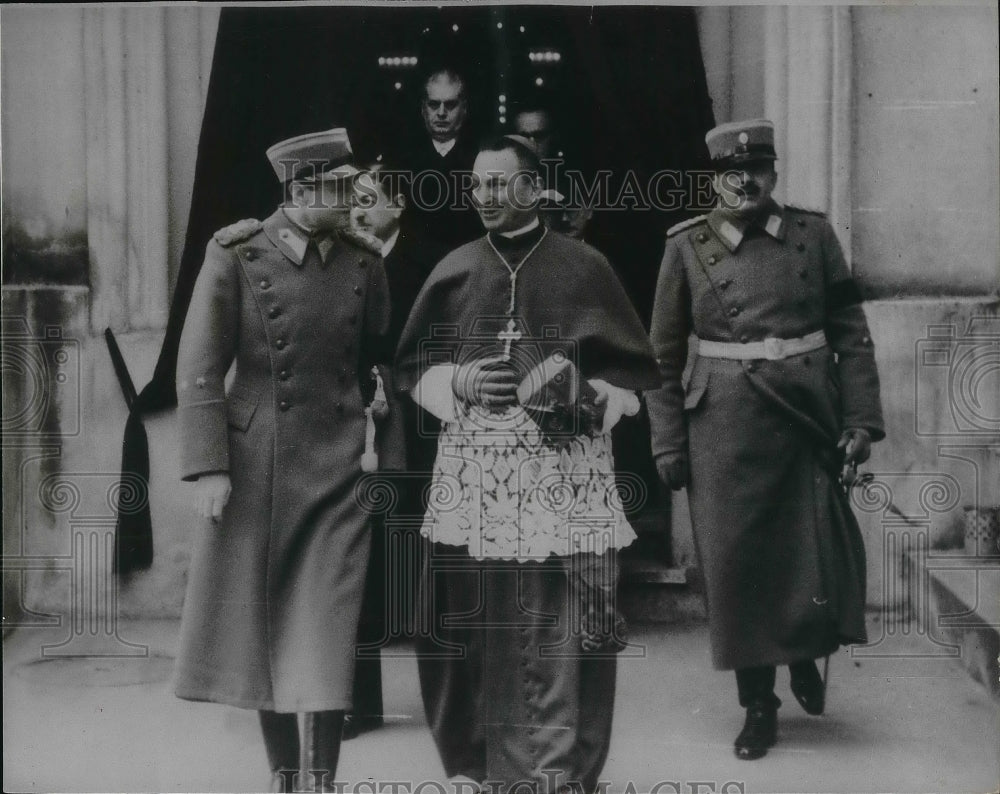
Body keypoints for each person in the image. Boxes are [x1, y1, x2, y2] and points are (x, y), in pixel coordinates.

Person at [395, 134, 660, 792]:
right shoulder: (455, 267)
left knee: (568, 617)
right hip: (479, 475)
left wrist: (593, 397)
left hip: (564, 472)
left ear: (535, 188)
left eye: (500, 184)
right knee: (487, 618)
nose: (484, 197)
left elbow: (632, 375)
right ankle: (486, 765)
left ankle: (562, 770)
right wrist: (459, 384)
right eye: (478, 185)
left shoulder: (584, 267)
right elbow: (411, 371)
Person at [645, 119, 885, 761]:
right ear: (713, 179)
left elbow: (850, 331)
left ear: (774, 173)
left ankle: (803, 650)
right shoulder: (686, 246)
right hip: (722, 427)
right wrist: (667, 442)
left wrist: (860, 419)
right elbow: (662, 356)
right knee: (739, 568)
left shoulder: (814, 235)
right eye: (730, 172)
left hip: (807, 415)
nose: (744, 182)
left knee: (808, 554)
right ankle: (759, 704)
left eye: (756, 169)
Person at [173, 128, 403, 792]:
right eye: (343, 189)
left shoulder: (364, 260)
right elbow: (199, 368)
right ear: (303, 191)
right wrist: (210, 466)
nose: (356, 200)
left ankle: (323, 778)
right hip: (256, 463)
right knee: (266, 623)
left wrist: (379, 412)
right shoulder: (236, 253)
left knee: (330, 623)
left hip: (339, 463)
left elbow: (379, 347)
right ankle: (284, 775)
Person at [343, 164, 446, 740]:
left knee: (429, 561)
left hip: (425, 426)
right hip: (359, 429)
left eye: (370, 200)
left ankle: (446, 704)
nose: (357, 212)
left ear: (399, 204)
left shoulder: (434, 263)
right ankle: (361, 702)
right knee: (357, 557)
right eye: (351, 202)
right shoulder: (339, 261)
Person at [393, 67, 482, 252]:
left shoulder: (480, 161)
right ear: (423, 109)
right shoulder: (403, 162)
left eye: (450, 105)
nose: (441, 113)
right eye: (434, 104)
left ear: (464, 109)